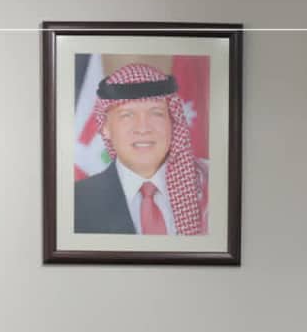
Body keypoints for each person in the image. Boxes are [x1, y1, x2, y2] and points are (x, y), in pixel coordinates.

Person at [74, 62, 208, 235]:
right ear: (105, 127)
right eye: (127, 115)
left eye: (156, 113)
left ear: (173, 121)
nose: (143, 128)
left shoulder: (210, 189)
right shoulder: (75, 202)